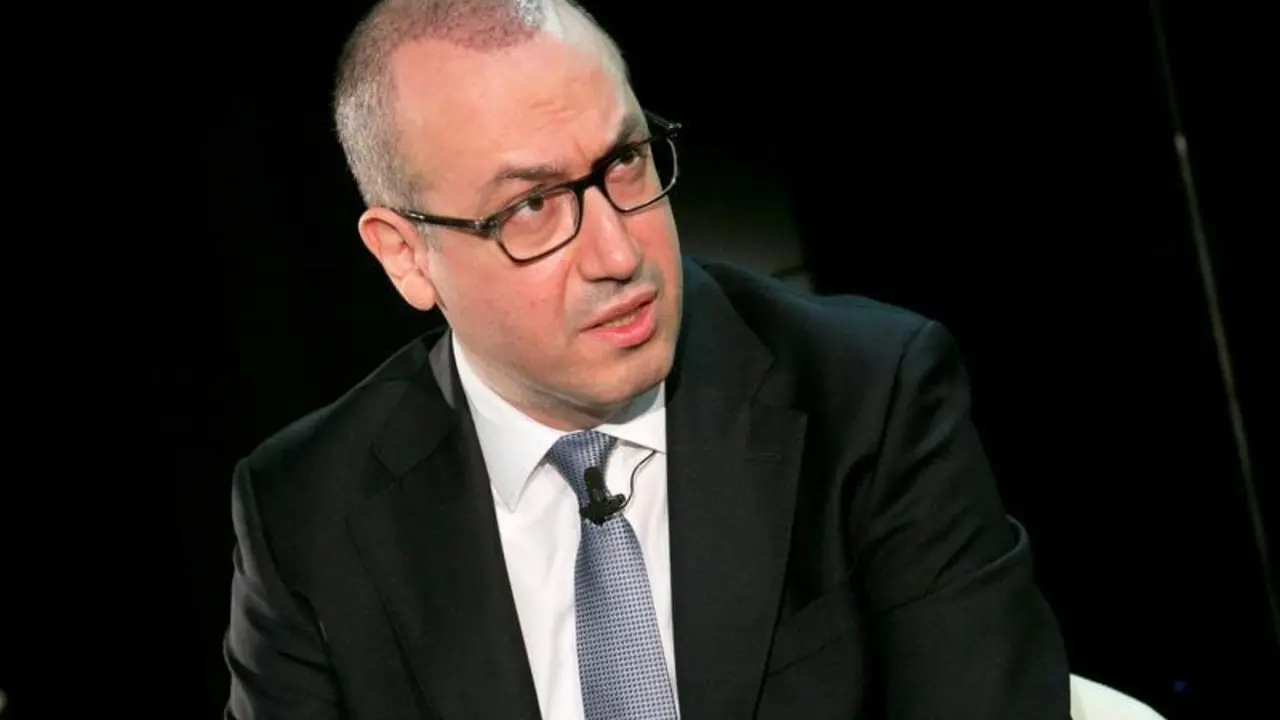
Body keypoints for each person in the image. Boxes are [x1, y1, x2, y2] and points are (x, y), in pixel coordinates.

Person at [223, 1, 1071, 718]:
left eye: (624, 162)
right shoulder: (305, 514)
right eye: (532, 206)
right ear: (405, 256)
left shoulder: (870, 396)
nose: (618, 253)